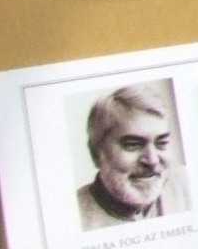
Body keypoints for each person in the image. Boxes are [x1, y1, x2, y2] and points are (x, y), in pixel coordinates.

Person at [74, 81, 184, 228]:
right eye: (132, 145)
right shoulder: (71, 217)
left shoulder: (189, 186)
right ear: (95, 154)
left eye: (161, 143)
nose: (152, 160)